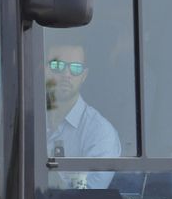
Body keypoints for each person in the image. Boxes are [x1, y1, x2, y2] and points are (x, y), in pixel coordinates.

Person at [45, 41, 121, 189]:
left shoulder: (101, 133)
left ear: (84, 76)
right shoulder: (26, 120)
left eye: (75, 68)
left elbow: (86, 197)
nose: (67, 74)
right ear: (44, 69)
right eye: (58, 66)